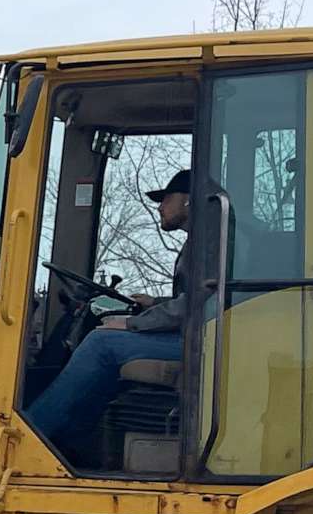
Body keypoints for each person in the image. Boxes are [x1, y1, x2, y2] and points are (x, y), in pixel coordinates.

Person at [28, 168, 193, 460]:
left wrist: (130, 323)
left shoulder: (209, 244)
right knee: (105, 338)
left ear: (189, 201)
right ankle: (75, 442)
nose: (160, 207)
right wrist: (154, 302)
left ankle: (28, 437)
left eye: (166, 199)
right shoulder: (202, 242)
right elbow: (191, 300)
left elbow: (194, 306)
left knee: (101, 343)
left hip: (200, 341)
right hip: (196, 334)